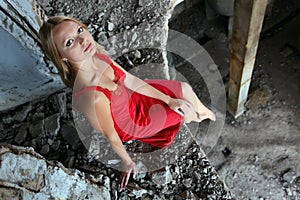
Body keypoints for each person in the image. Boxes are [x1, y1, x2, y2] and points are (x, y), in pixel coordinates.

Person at [39, 16, 216, 190]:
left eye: (79, 30)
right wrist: (128, 162)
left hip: (131, 96)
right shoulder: (92, 97)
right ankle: (198, 116)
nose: (82, 40)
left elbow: (130, 80)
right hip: (133, 121)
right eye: (69, 42)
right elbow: (111, 135)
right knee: (183, 112)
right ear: (61, 57)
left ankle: (204, 112)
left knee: (183, 89)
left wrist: (168, 99)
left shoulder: (98, 58)